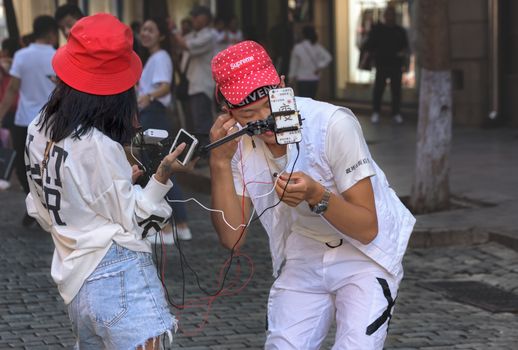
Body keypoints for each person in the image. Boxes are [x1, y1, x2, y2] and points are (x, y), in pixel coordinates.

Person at [208, 40, 415, 349]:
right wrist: (219, 162)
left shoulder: (332, 124)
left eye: (270, 103)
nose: (265, 120)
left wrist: (317, 195)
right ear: (228, 112)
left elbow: (367, 228)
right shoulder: (235, 144)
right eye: (250, 114)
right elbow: (232, 239)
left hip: (363, 254)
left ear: (282, 84)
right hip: (302, 250)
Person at [25, 14, 182, 349]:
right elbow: (136, 220)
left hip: (74, 278)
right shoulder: (98, 145)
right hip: (119, 274)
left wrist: (108, 187)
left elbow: (40, 208)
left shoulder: (38, 126)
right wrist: (161, 178)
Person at [137, 17, 192, 242]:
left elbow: (165, 86)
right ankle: (180, 226)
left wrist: (148, 97)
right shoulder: (154, 58)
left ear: (161, 35)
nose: (145, 33)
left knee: (158, 170)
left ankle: (169, 229)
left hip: (154, 115)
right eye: (143, 29)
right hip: (153, 114)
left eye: (150, 29)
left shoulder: (159, 57)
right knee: (162, 169)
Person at [0, 15, 58, 226]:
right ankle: (46, 206)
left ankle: (33, 202)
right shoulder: (57, 55)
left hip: (24, 120)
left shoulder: (22, 56)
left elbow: (12, 89)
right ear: (51, 33)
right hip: (51, 121)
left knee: (23, 166)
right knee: (48, 165)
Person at [174, 5, 215, 148]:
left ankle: (207, 153)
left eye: (197, 16)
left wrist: (174, 30)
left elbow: (186, 45)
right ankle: (197, 154)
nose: (194, 19)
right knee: (191, 123)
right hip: (190, 84)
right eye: (193, 16)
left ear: (206, 18)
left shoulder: (209, 35)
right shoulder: (192, 35)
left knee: (202, 123)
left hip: (201, 85)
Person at [363, 5, 409, 124]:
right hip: (381, 64)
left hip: (395, 65)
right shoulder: (378, 30)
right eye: (388, 15)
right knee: (379, 89)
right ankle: (376, 112)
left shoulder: (400, 31)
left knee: (396, 91)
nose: (390, 17)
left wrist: (403, 56)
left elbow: (405, 46)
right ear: (384, 16)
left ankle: (396, 113)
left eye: (392, 15)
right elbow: (369, 45)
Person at [288, 25, 332, 99]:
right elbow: (328, 57)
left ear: (303, 34)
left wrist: (291, 78)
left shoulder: (298, 48)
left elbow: (294, 65)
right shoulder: (317, 46)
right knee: (312, 99)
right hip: (314, 78)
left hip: (302, 78)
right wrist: (319, 66)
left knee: (303, 100)